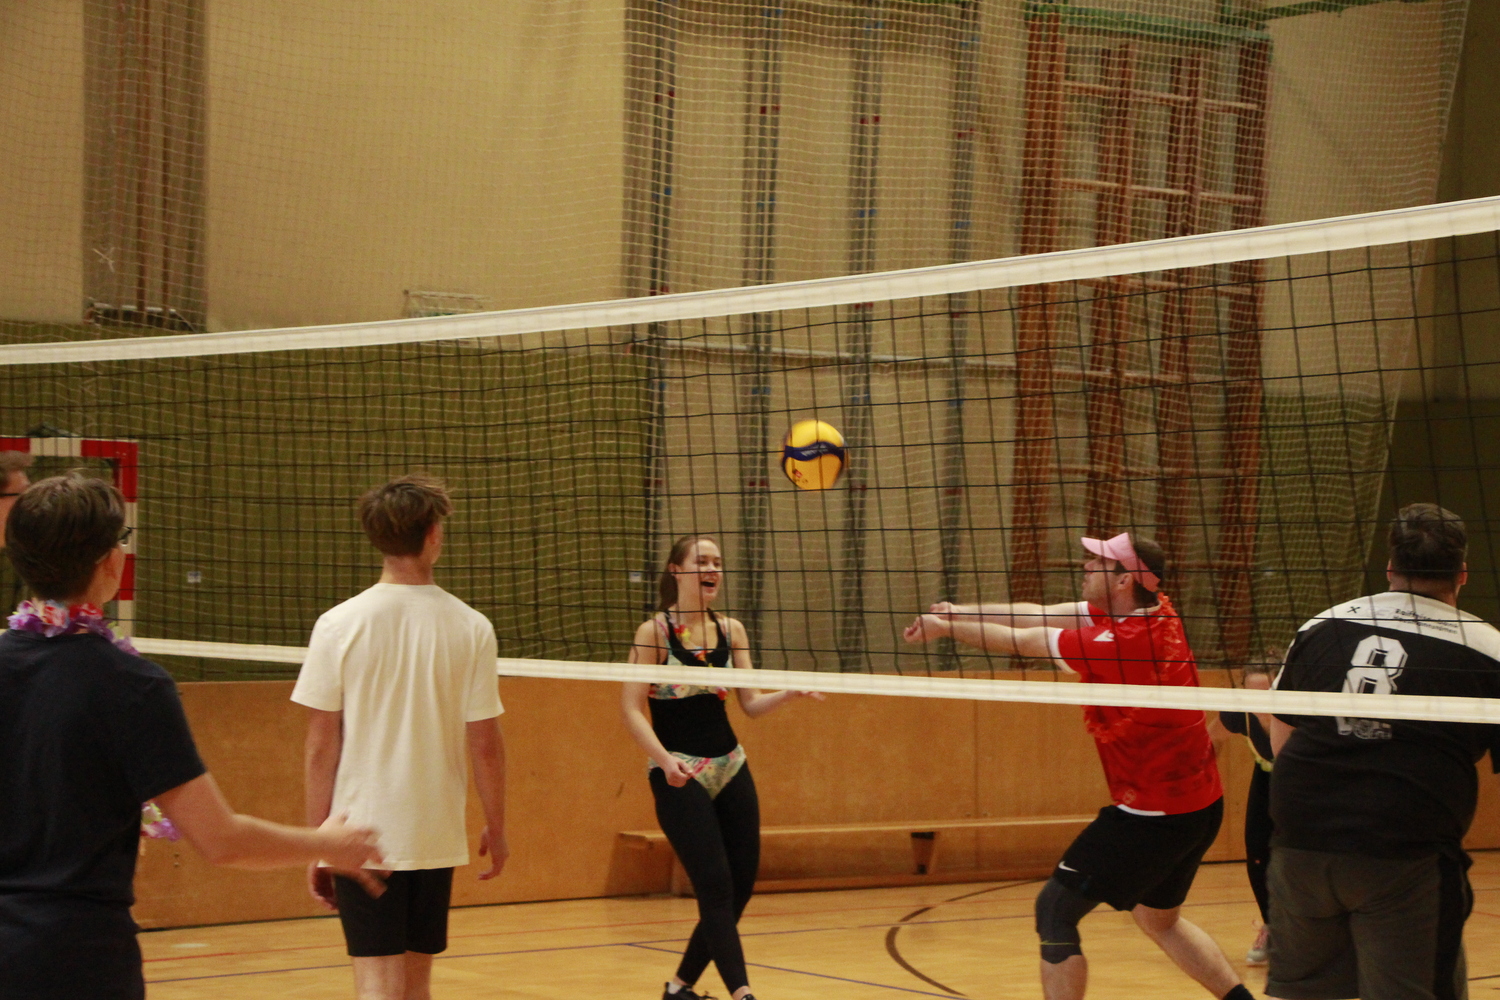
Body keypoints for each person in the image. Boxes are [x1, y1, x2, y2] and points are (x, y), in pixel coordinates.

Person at [0, 473, 382, 1000]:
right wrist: (327, 844)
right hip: (76, 958)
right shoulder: (132, 685)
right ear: (110, 563)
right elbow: (221, 840)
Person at [905, 531, 1253, 1000]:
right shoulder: (1153, 612)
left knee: (1055, 911)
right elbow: (1041, 614)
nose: (1087, 566)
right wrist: (959, 611)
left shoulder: (1124, 641)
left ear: (1125, 580)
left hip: (1152, 816)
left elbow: (1024, 640)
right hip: (1197, 807)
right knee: (1159, 922)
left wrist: (946, 630)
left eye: (1100, 563)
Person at [1268, 503, 1500, 1000]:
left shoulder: (1323, 624)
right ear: (1462, 574)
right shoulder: (1488, 648)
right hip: (1403, 852)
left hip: (1301, 838)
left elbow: (1282, 733)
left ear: (1390, 567)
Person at [294, 474, 508, 1000]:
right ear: (433, 534)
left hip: (359, 833)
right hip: (434, 832)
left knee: (377, 983)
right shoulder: (472, 627)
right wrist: (497, 827)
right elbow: (485, 744)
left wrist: (317, 840)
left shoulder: (337, 625)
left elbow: (321, 747)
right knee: (415, 985)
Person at [623, 534, 821, 1000]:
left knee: (741, 886)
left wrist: (789, 693)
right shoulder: (654, 633)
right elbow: (630, 709)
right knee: (714, 887)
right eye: (703, 561)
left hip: (730, 766)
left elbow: (750, 704)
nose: (713, 569)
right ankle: (742, 993)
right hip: (679, 772)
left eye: (718, 562)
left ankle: (679, 988)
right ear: (676, 570)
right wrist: (665, 761)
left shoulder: (732, 630)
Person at [1215, 658, 1276, 966]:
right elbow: (1212, 738)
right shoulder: (1239, 714)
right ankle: (1272, 927)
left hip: (1307, 782)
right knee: (1257, 853)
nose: (1259, 704)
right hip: (1267, 776)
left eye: (1266, 695)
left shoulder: (1300, 711)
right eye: (1252, 695)